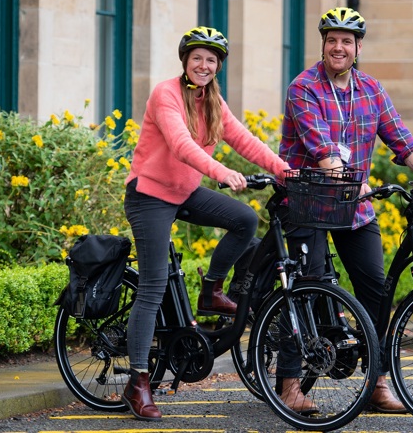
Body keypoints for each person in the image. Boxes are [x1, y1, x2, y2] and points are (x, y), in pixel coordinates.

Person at [121, 26, 290, 421]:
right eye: (197, 57)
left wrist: (287, 172)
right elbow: (180, 144)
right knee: (153, 285)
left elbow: (245, 140)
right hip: (150, 195)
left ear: (218, 68)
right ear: (185, 61)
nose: (204, 65)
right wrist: (221, 170)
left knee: (245, 219)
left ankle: (211, 290)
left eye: (211, 60)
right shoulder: (166, 94)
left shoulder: (211, 100)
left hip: (184, 192)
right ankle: (138, 381)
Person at [278, 7, 413, 414]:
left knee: (376, 288)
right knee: (307, 286)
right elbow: (319, 150)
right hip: (308, 202)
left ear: (358, 47)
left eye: (346, 41)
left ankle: (377, 382)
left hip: (356, 209)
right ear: (323, 44)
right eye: (332, 39)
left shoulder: (371, 89)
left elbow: (402, 140)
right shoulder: (304, 88)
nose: (339, 47)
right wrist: (350, 180)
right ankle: (289, 385)